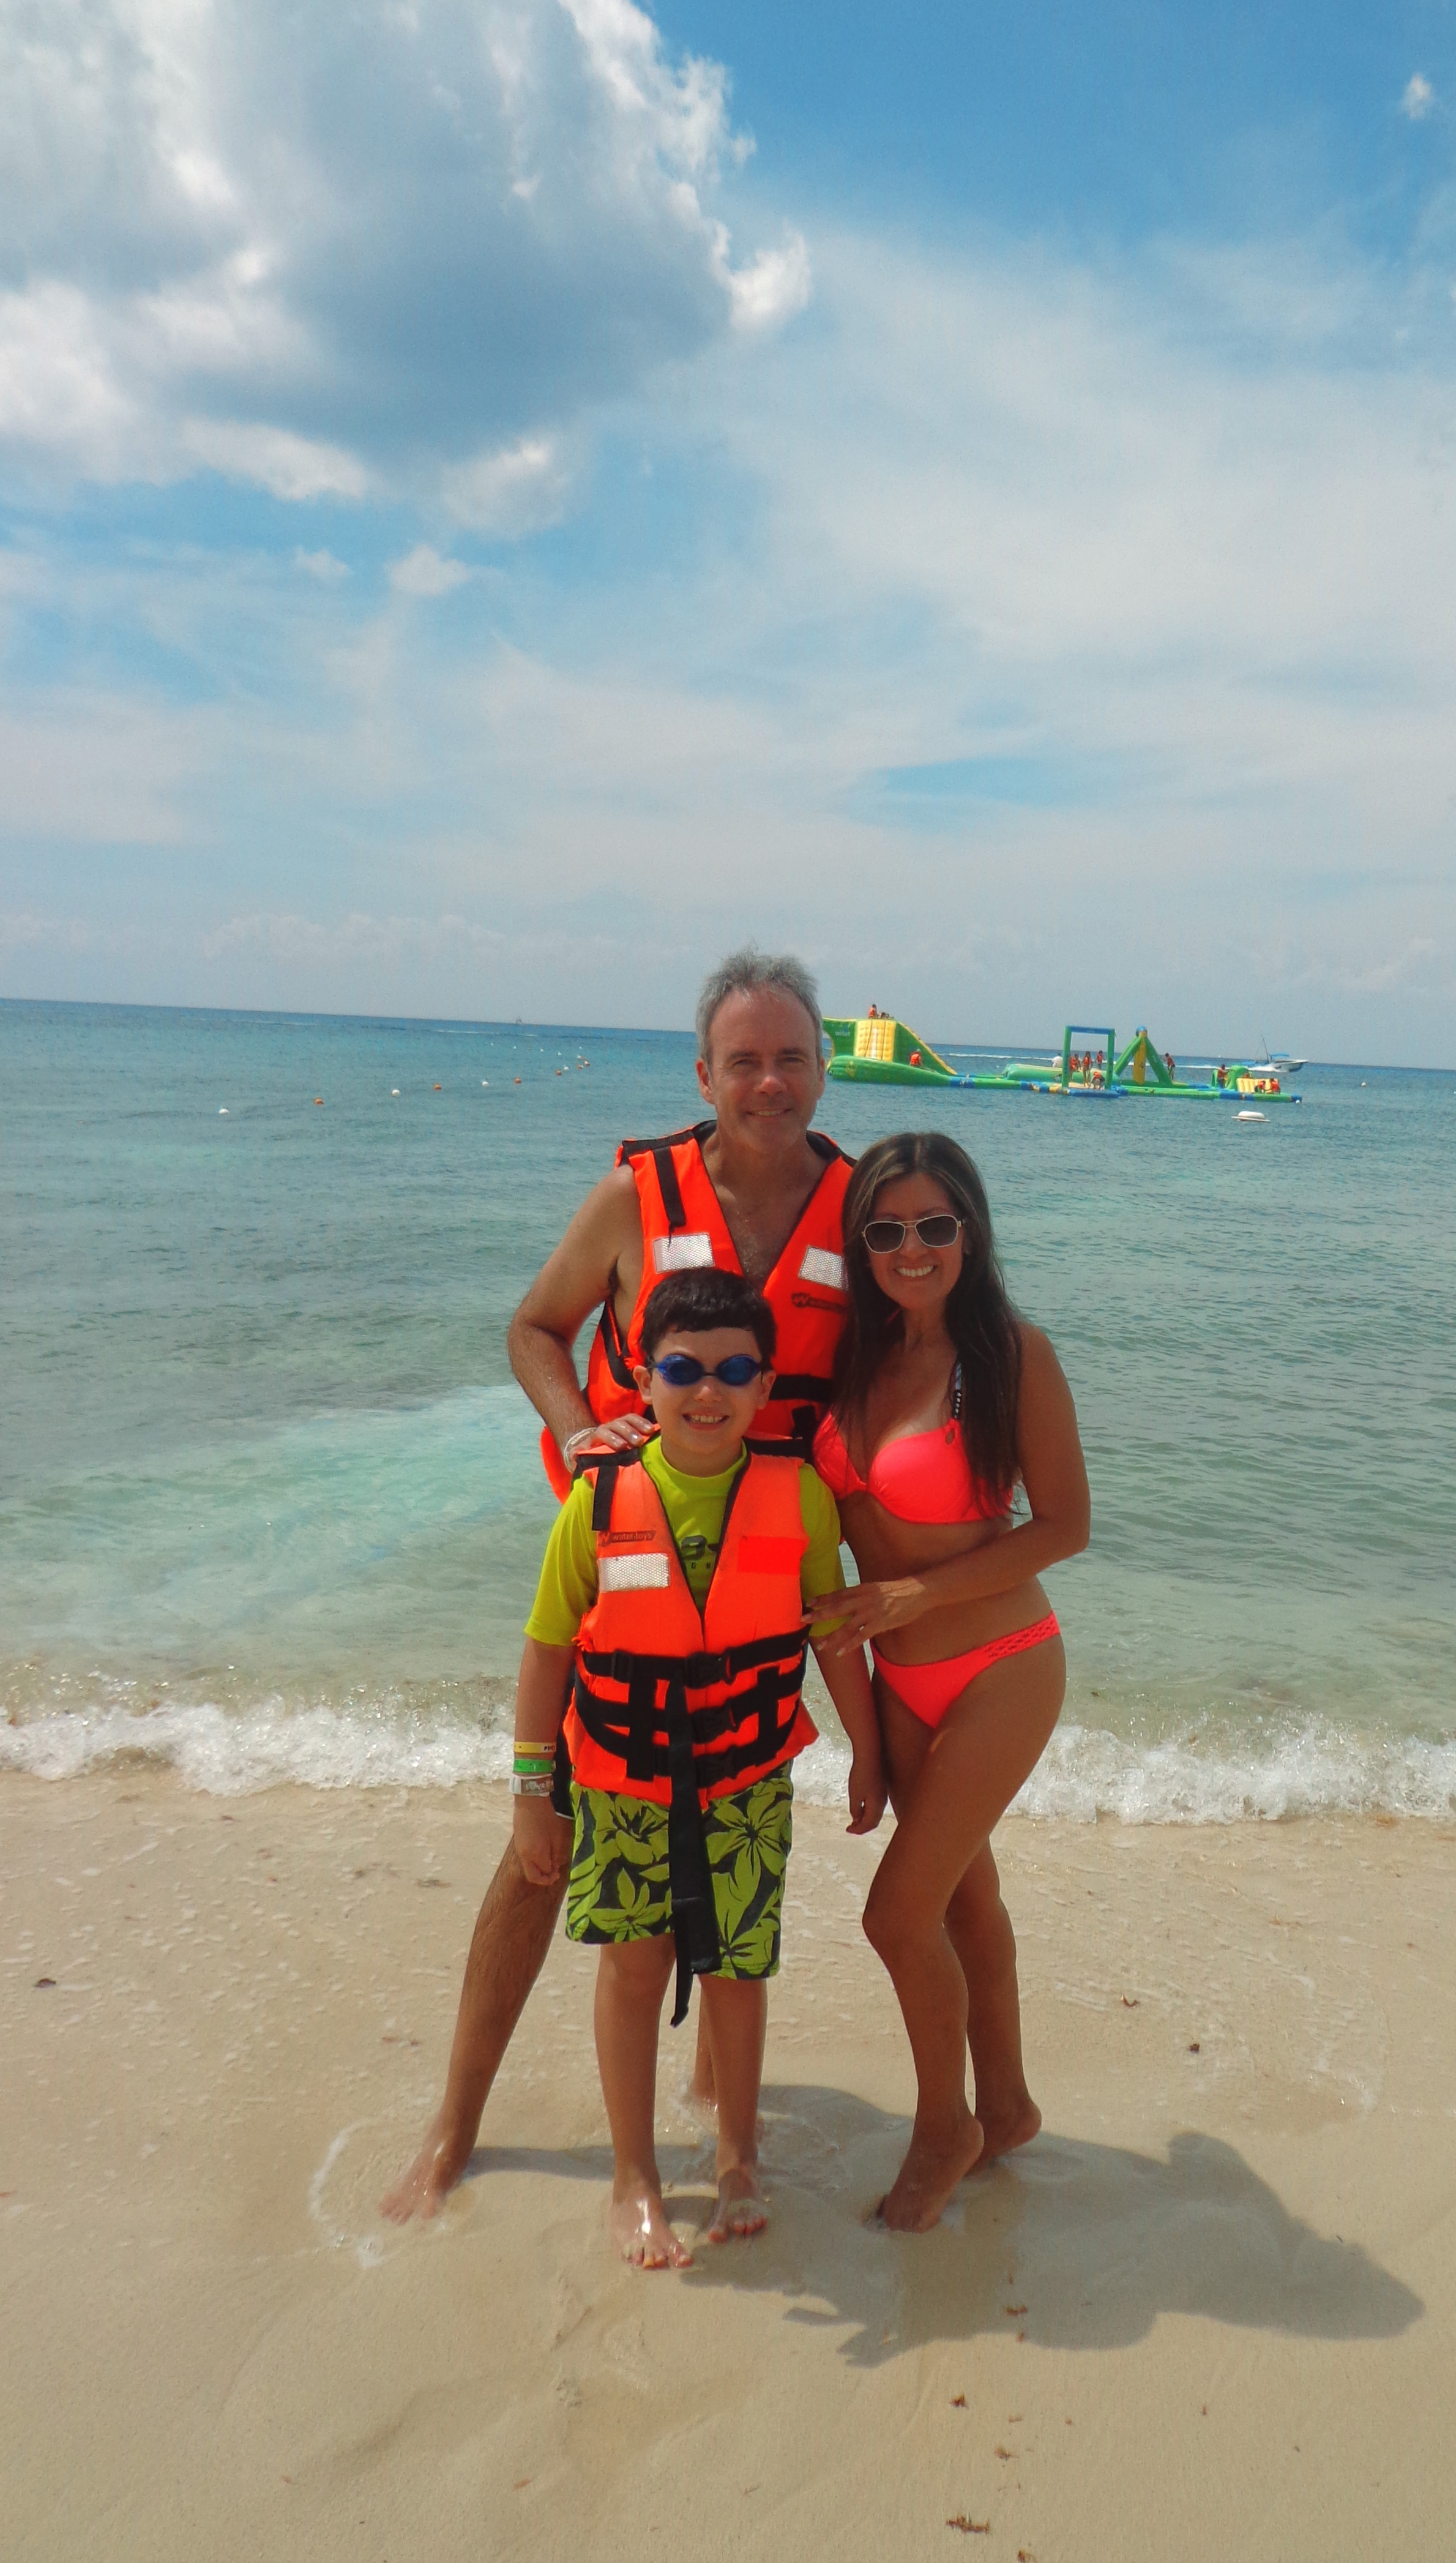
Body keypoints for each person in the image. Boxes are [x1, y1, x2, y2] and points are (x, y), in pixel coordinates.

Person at [384, 948, 853, 2221]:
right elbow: (534, 1327)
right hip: (627, 1578)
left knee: (733, 1850)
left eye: (791, 1057)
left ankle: (719, 2110)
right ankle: (456, 2121)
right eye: (745, 1060)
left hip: (763, 1585)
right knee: (542, 1855)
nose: (769, 1081)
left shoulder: (859, 1208)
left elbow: (913, 1342)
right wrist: (577, 1428)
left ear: (823, 1069)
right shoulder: (633, 1198)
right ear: (705, 1075)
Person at [512, 1266, 884, 2266]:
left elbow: (832, 1635)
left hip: (747, 1781)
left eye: (732, 1371)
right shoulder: (598, 1499)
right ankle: (633, 2177)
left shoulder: (799, 1495)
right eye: (682, 1370)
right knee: (633, 1969)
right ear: (644, 1380)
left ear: (767, 1385)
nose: (707, 1391)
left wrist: (867, 1751)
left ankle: (738, 2159)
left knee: (738, 1968)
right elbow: (546, 1650)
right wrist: (530, 1796)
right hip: (621, 1781)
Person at [808, 1133, 1090, 2230]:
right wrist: (862, 1740)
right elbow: (830, 1568)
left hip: (1001, 1670)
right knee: (965, 1900)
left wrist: (919, 1597)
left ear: (970, 1232)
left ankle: (945, 2128)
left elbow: (1064, 1527)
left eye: (935, 1225)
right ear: (862, 1244)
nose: (912, 1249)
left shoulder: (1012, 1354)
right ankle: (1006, 2106)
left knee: (896, 1916)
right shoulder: (852, 1362)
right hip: (899, 1686)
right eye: (887, 1230)